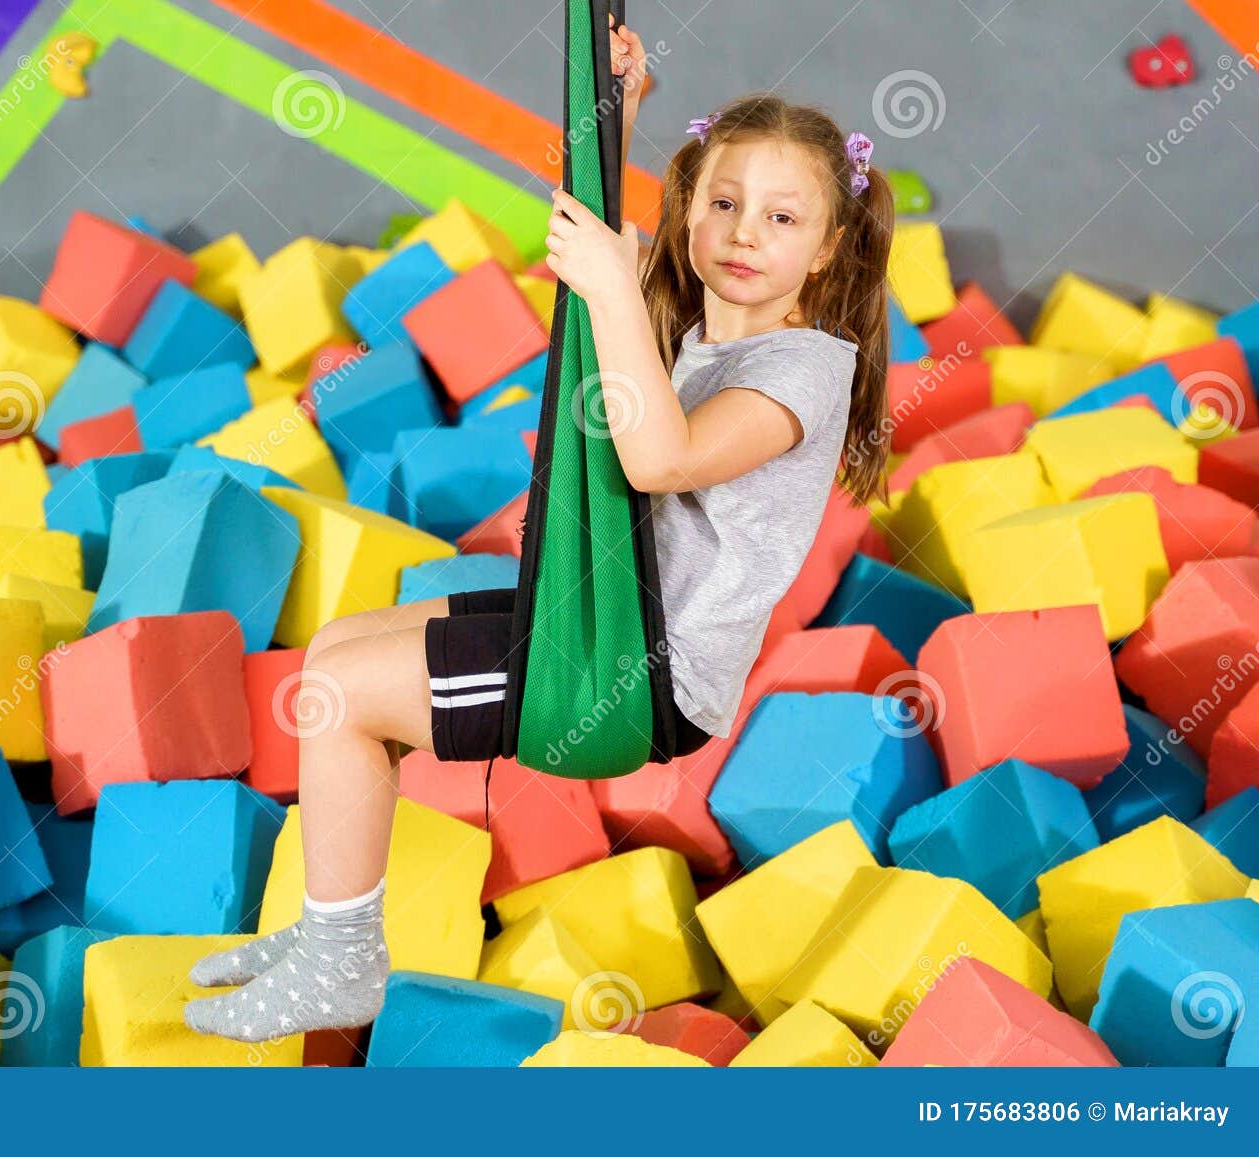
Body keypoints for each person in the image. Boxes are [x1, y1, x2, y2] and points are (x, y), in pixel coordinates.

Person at [181, 16, 895, 1044]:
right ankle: (323, 925)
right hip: (590, 615)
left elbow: (659, 456)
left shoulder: (801, 371)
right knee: (337, 649)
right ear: (689, 206)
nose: (744, 233)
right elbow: (604, 246)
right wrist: (618, 114)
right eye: (724, 203)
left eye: (782, 219)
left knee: (334, 698)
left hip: (637, 675)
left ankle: (345, 953)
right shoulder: (694, 329)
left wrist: (611, 280)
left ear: (829, 246)